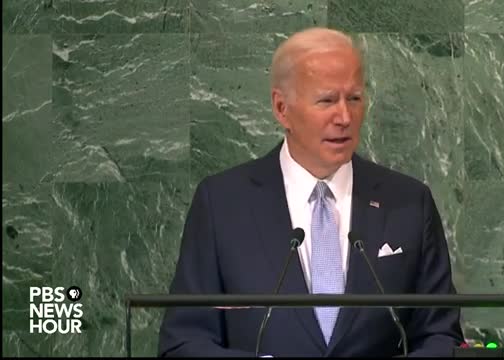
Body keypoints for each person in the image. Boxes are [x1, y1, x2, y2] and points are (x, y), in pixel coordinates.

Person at [158, 27, 464, 357]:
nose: (345, 117)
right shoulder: (222, 204)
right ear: (281, 108)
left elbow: (441, 335)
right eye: (327, 100)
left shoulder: (408, 203)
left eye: (355, 99)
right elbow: (184, 342)